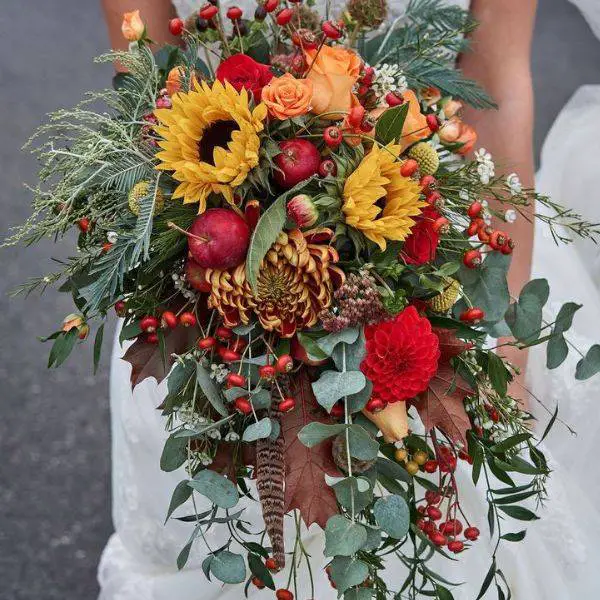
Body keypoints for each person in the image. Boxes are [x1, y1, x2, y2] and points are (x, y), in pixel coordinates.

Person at [98, 0, 600, 598]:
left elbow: (496, 86)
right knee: (232, 530)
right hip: (212, 280)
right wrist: (217, 304)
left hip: (430, 251)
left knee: (447, 524)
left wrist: (508, 337)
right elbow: (146, 92)